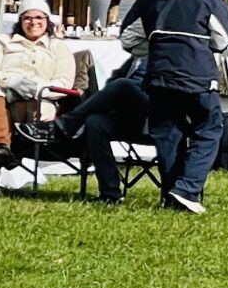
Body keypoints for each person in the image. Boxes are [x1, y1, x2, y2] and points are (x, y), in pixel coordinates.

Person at [119, 0, 228, 214]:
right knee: (208, 130)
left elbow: (128, 38)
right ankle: (187, 189)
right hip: (198, 77)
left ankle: (171, 194)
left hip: (160, 76)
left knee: (167, 135)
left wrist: (157, 46)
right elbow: (223, 39)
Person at [0, 0, 78, 194]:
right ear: (20, 21)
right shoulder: (4, 42)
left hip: (38, 104)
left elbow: (65, 82)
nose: (33, 22)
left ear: (47, 20)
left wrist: (38, 89)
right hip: (3, 94)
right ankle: (1, 147)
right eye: (27, 17)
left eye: (39, 17)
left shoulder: (58, 47)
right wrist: (11, 81)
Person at [37, 59, 147, 204]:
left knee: (123, 85)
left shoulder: (174, 54)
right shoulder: (136, 59)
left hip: (157, 120)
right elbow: (110, 89)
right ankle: (110, 193)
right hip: (127, 117)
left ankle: (63, 126)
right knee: (95, 122)